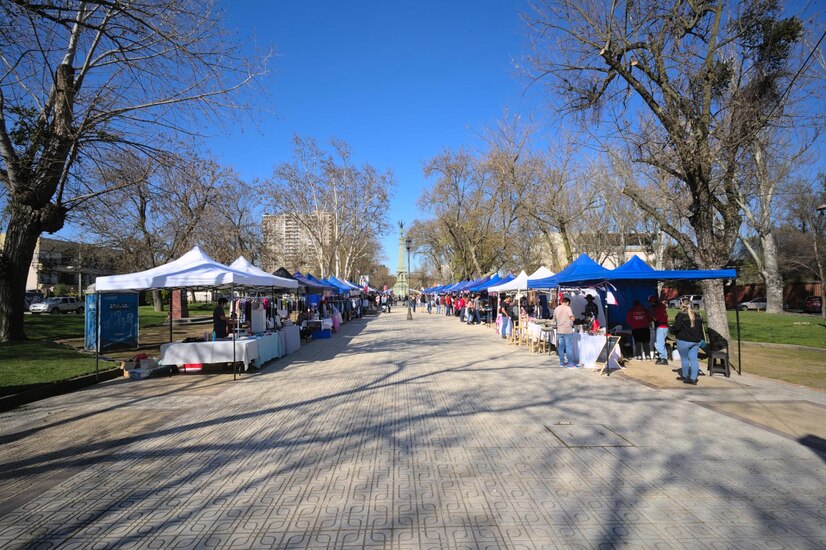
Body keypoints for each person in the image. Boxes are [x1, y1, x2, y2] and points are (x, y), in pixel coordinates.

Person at [671, 298, 704, 385]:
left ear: (681, 305)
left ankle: (685, 376)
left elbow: (676, 327)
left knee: (685, 359)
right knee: (694, 359)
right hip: (696, 341)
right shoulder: (698, 314)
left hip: (684, 340)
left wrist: (671, 329)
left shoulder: (681, 315)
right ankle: (693, 378)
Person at [553, 296, 576, 367]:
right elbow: (572, 318)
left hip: (559, 330)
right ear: (568, 302)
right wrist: (574, 317)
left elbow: (554, 319)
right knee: (568, 347)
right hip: (567, 330)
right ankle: (570, 363)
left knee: (561, 347)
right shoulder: (568, 308)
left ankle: (562, 362)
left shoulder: (557, 308)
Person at [649, 295, 670, 365]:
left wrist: (650, 316)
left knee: (659, 344)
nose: (650, 304)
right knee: (661, 343)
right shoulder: (661, 307)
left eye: (651, 302)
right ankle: (662, 357)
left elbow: (656, 319)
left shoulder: (659, 308)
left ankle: (664, 358)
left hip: (661, 327)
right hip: (663, 327)